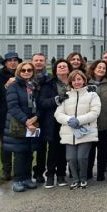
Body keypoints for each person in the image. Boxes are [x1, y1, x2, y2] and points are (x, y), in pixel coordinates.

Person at [54, 70, 101, 189]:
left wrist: (79, 120)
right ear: (71, 82)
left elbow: (95, 112)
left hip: (85, 131)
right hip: (69, 132)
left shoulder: (92, 95)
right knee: (71, 158)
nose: (77, 82)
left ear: (84, 80)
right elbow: (58, 114)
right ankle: (75, 179)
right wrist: (69, 120)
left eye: (79, 79)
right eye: (74, 80)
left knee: (82, 157)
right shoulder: (66, 96)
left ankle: (83, 178)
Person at [4, 61, 40, 192]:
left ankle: (27, 177)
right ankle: (18, 180)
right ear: (18, 72)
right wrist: (26, 121)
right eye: (23, 70)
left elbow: (39, 103)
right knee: (19, 153)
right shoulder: (13, 86)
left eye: (29, 70)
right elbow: (13, 107)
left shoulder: (35, 85)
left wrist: (35, 118)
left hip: (33, 122)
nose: (26, 72)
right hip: (18, 123)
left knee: (29, 152)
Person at [36, 60, 70, 188]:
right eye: (59, 66)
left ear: (68, 69)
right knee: (53, 150)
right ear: (55, 70)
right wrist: (56, 100)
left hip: (69, 121)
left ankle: (61, 174)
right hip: (53, 121)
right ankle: (50, 175)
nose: (62, 68)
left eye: (64, 66)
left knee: (64, 150)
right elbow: (42, 102)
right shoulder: (49, 84)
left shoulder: (73, 82)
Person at [0, 52, 22, 181]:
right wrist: (7, 86)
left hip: (20, 114)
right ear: (5, 63)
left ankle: (19, 170)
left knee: (20, 143)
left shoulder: (23, 73)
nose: (13, 62)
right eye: (10, 60)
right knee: (5, 145)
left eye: (15, 60)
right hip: (4, 114)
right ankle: (6, 170)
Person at [86, 60, 107, 181]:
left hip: (106, 121)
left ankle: (101, 173)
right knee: (90, 149)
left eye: (104, 68)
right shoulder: (86, 83)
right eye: (99, 67)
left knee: (103, 149)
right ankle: (88, 172)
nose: (101, 70)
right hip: (89, 122)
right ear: (93, 68)